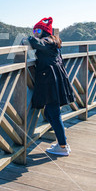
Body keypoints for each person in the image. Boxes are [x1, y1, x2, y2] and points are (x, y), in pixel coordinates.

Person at [21, 17, 75, 156]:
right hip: (55, 80)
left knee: (54, 113)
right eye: (34, 30)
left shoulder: (47, 41)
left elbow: (35, 43)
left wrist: (26, 39)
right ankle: (62, 143)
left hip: (51, 82)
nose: (35, 33)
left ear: (45, 31)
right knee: (51, 113)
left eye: (38, 30)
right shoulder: (53, 42)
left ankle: (62, 146)